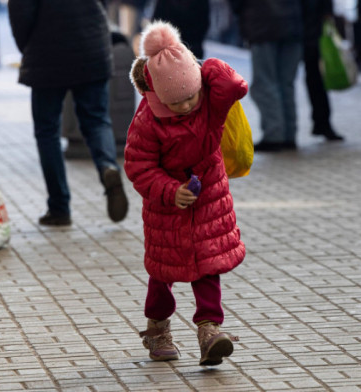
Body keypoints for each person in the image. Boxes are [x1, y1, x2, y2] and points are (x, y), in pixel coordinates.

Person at [124, 21, 247, 366]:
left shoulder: (208, 101)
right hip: (168, 207)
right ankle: (158, 328)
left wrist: (205, 67)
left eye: (191, 96)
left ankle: (210, 330)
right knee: (163, 272)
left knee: (208, 266)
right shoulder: (148, 119)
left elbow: (234, 84)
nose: (185, 106)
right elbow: (138, 165)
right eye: (175, 102)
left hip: (208, 197)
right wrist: (168, 191)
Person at [8, 0, 128, 226]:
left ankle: (59, 207)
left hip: (47, 51)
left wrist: (28, 46)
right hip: (92, 43)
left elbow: (20, 11)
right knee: (97, 120)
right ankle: (107, 166)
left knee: (47, 131)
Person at [230, 0, 303, 152]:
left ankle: (274, 135)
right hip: (294, 25)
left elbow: (236, 5)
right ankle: (289, 135)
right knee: (286, 84)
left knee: (265, 83)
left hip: (262, 25)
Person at [302, 0, 344, 141]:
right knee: (315, 79)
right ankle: (321, 123)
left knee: (315, 78)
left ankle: (321, 123)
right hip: (304, 28)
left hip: (309, 29)